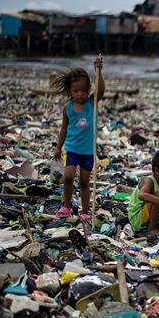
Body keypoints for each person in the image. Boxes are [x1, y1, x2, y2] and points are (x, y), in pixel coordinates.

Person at [52, 56, 105, 221]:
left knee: (84, 181)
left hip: (87, 150)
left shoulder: (91, 103)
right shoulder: (67, 108)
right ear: (70, 91)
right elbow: (63, 128)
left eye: (83, 90)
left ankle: (84, 211)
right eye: (76, 91)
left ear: (89, 89)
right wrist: (58, 147)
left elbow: (101, 90)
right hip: (72, 148)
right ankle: (66, 206)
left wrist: (99, 71)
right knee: (68, 176)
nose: (80, 94)